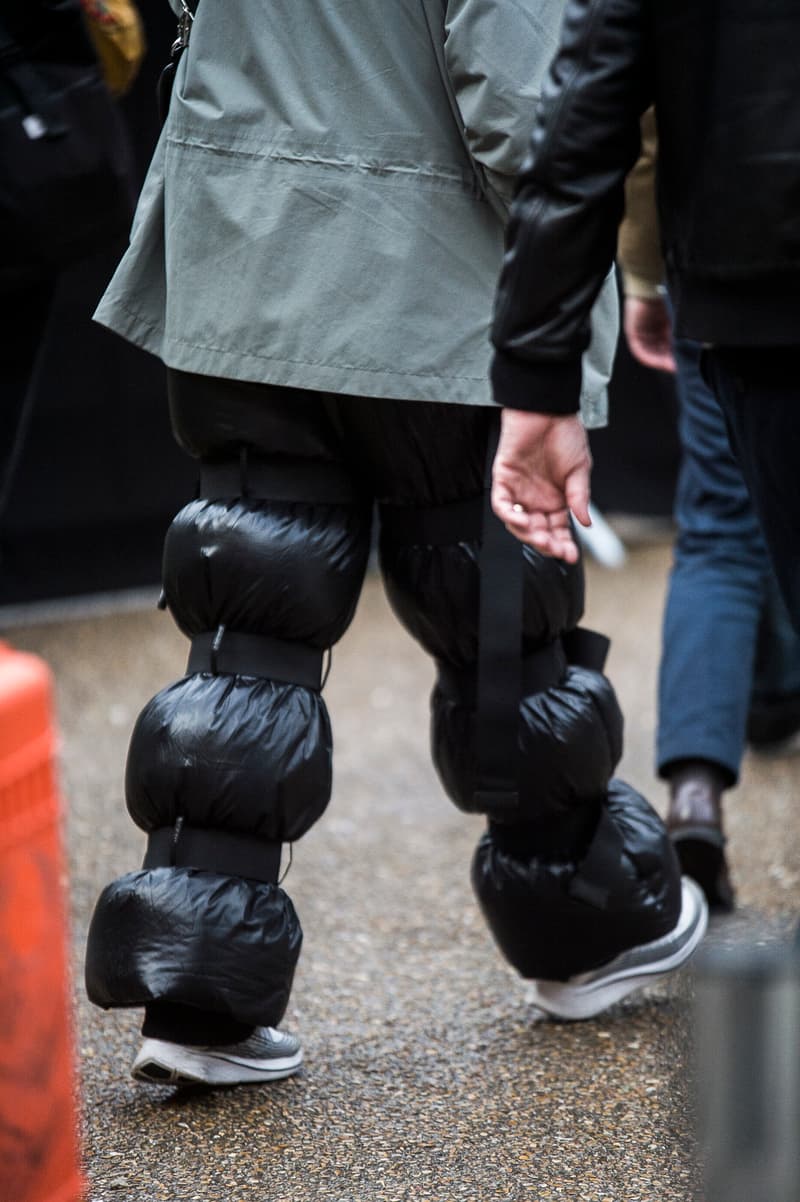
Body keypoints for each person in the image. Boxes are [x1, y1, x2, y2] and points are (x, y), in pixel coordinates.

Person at [84, 0, 707, 1089]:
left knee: (250, 619)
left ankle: (197, 988)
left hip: (242, 254)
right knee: (497, 608)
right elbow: (522, 105)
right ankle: (584, 927)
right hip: (429, 279)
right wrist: (567, 294)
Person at [489, 0, 800, 634]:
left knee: (720, 523)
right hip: (758, 291)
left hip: (763, 287)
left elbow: (589, 114)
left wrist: (538, 379)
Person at [616, 111, 800, 911]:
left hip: (731, 254)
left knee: (721, 524)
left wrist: (644, 271)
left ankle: (694, 793)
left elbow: (655, 113)